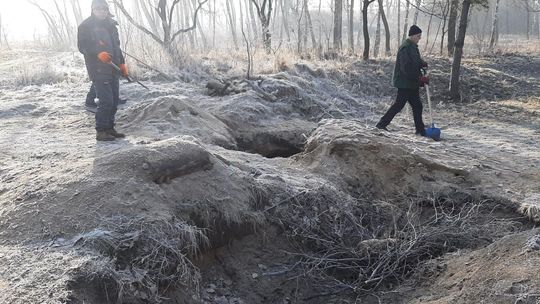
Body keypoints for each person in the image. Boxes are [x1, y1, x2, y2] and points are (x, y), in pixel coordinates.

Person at [77, 0, 128, 141]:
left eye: (104, 9)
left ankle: (110, 128)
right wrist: (98, 52)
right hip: (98, 69)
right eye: (98, 9)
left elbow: (117, 48)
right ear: (93, 10)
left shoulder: (111, 25)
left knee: (114, 100)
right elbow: (83, 46)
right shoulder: (85, 26)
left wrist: (122, 64)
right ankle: (101, 131)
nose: (102, 11)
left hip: (113, 69)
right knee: (106, 101)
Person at [376, 25, 429, 136]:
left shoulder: (413, 46)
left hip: (412, 83)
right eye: (418, 36)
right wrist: (419, 78)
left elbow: (415, 61)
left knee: (417, 105)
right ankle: (381, 125)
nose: (420, 38)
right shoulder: (405, 47)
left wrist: (422, 63)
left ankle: (420, 130)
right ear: (413, 35)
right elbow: (406, 68)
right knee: (399, 105)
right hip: (404, 82)